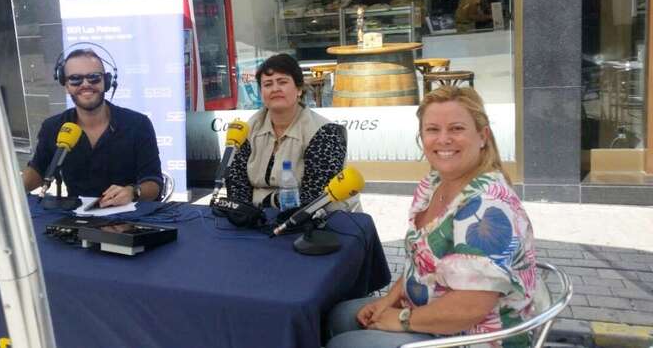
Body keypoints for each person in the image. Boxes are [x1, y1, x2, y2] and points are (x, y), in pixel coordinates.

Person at [326, 86, 537, 348]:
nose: (443, 139)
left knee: (344, 344)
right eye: (433, 129)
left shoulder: (487, 207)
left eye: (457, 129)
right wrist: (387, 301)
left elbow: (471, 308)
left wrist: (402, 319)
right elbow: (420, 263)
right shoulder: (434, 183)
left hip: (473, 335)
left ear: (483, 136)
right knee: (339, 317)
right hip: (431, 312)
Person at [22, 48, 162, 206]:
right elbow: (38, 170)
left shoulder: (138, 124)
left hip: (130, 218)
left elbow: (154, 183)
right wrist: (12, 189)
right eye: (75, 79)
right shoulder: (53, 127)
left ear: (106, 82)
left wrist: (133, 192)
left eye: (94, 77)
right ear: (66, 85)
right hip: (75, 218)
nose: (86, 85)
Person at [225, 53, 350, 210]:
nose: (275, 88)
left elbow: (314, 194)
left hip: (317, 219)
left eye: (282, 82)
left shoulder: (326, 132)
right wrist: (243, 213)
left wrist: (265, 203)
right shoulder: (249, 129)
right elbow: (236, 182)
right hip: (256, 217)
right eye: (268, 84)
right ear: (261, 92)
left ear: (299, 89)